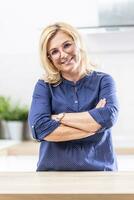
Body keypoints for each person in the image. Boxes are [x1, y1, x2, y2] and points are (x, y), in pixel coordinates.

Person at [28, 22, 119, 171]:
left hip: (101, 173)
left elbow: (108, 117)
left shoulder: (104, 80)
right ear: (49, 58)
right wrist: (93, 125)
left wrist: (59, 117)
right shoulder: (44, 86)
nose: (63, 54)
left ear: (78, 43)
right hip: (53, 175)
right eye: (55, 51)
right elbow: (39, 128)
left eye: (67, 45)